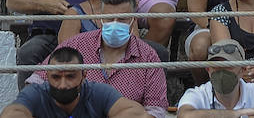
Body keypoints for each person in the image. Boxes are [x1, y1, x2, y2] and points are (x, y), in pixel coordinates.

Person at [6, 47, 149, 118]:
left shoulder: (99, 92)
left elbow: (137, 113)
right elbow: (13, 112)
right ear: (47, 75)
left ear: (84, 75)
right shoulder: (36, 93)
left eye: (70, 76)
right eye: (56, 77)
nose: (62, 85)